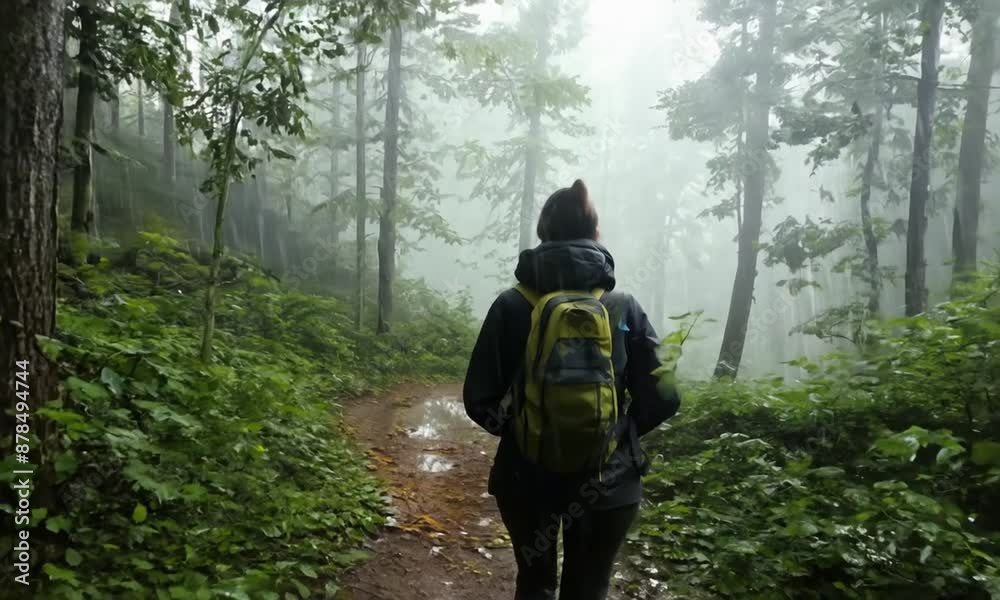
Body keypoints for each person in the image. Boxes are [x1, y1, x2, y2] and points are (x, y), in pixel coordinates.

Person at [463, 178, 681, 600]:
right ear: (595, 234)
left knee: (535, 584)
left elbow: (480, 399)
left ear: (544, 234)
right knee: (589, 587)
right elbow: (665, 395)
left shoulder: (511, 305)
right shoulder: (622, 307)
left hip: (526, 479)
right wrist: (618, 435)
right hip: (609, 481)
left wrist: (527, 430)